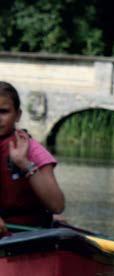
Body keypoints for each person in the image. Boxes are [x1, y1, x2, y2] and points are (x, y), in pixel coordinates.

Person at [0, 81, 64, 236]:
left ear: (18, 115)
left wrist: (25, 164)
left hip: (27, 234)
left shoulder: (33, 150)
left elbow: (57, 206)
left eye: (3, 111)